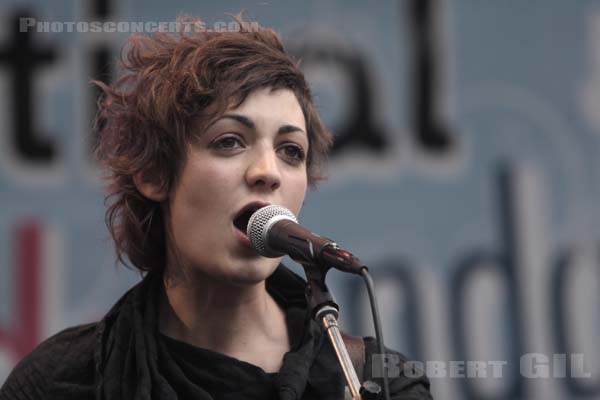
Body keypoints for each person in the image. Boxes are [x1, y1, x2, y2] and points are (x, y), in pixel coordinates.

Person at [0, 15, 432, 400]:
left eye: (290, 150)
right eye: (229, 141)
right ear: (153, 173)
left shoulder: (374, 381)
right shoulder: (61, 382)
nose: (268, 172)